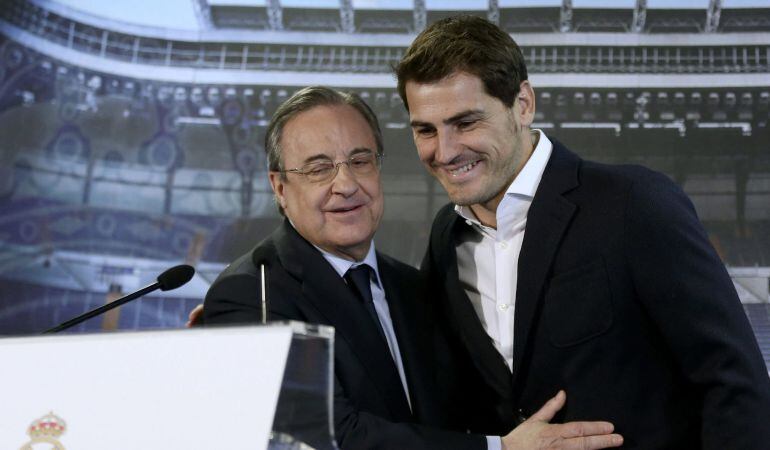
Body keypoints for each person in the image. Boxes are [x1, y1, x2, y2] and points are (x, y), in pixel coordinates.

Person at [394, 15, 770, 449]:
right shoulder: (447, 236)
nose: (445, 151)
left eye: (466, 122)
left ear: (523, 104)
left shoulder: (634, 202)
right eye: (426, 130)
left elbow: (736, 384)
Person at [201, 86, 623, 450]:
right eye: (319, 168)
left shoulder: (413, 287)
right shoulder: (249, 294)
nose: (346, 184)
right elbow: (329, 436)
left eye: (361, 160)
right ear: (280, 187)